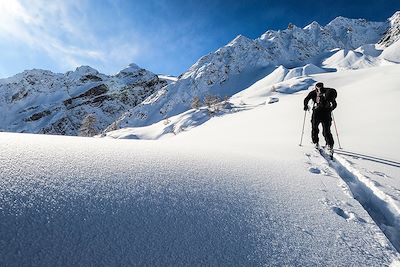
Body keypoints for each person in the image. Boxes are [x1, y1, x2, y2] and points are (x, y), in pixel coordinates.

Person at [303, 82, 337, 151]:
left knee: (314, 128)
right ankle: (330, 144)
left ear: (315, 87)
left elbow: (306, 99)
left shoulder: (313, 93)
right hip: (326, 113)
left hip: (316, 112)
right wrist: (330, 109)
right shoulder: (327, 92)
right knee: (327, 130)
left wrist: (305, 106)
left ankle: (316, 143)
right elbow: (334, 104)